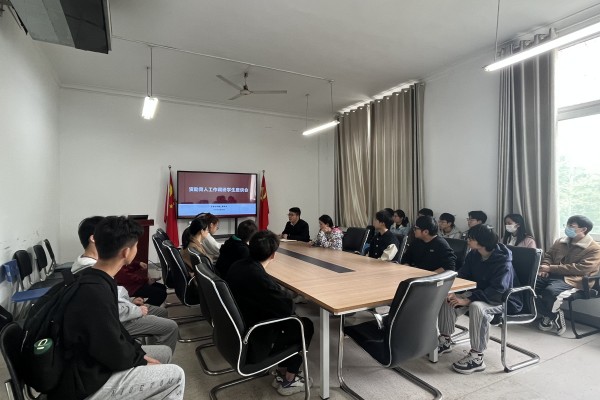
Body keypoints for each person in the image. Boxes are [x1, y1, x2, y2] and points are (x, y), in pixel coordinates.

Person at [52, 216, 184, 399]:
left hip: (93, 362)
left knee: (164, 353)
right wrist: (140, 362)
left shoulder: (96, 277)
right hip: (86, 381)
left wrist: (138, 355)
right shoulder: (94, 292)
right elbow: (109, 349)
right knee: (176, 374)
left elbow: (116, 335)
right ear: (126, 252)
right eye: (136, 246)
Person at [225, 230, 314, 396]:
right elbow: (288, 309)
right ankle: (289, 379)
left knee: (291, 323)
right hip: (254, 338)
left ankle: (282, 370)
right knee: (304, 325)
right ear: (273, 255)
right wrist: (286, 293)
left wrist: (279, 290)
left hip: (238, 329)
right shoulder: (261, 280)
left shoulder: (237, 266)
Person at [71, 216, 178, 352]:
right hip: (117, 320)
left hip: (124, 307)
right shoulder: (93, 273)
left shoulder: (94, 265)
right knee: (170, 327)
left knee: (161, 312)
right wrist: (135, 310)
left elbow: (112, 296)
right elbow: (107, 308)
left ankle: (154, 346)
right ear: (94, 238)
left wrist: (131, 301)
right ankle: (156, 355)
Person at [437, 225, 522, 375]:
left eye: (471, 238)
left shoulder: (503, 261)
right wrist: (452, 290)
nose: (467, 240)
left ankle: (477, 356)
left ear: (482, 241)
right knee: (448, 298)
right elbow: (463, 274)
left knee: (477, 307)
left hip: (503, 299)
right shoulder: (474, 254)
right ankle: (445, 340)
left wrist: (468, 300)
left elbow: (498, 290)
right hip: (481, 293)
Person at [535, 215, 600, 336]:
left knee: (550, 292)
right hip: (553, 275)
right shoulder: (560, 241)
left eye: (571, 226)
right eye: (567, 225)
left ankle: (548, 316)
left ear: (583, 229)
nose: (567, 228)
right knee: (528, 286)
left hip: (575, 280)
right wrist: (545, 267)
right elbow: (549, 255)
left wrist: (551, 268)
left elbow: (582, 269)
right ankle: (553, 315)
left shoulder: (594, 248)